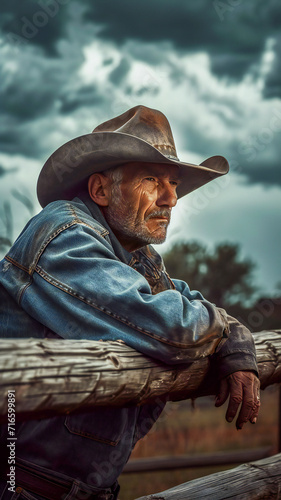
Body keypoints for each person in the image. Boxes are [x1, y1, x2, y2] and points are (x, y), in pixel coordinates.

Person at [0, 105, 260, 500]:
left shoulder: (134, 254)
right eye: (152, 179)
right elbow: (172, 328)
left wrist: (235, 343)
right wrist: (222, 327)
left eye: (172, 183)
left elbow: (189, 303)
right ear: (101, 190)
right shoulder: (64, 235)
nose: (171, 198)